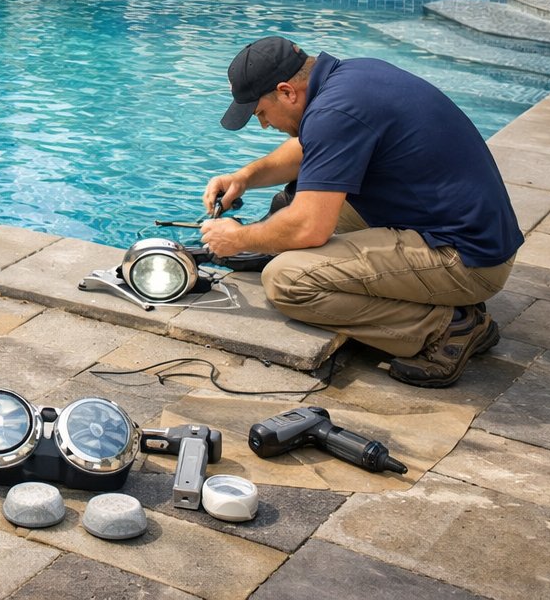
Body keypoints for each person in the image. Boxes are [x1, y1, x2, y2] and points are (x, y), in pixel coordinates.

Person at [199, 36, 521, 388]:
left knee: (286, 280)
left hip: (468, 262)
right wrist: (245, 177)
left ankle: (447, 326)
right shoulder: (351, 78)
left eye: (260, 113)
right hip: (468, 233)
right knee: (294, 205)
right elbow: (310, 149)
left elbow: (309, 228)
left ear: (287, 92)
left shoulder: (334, 112)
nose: (263, 124)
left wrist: (240, 238)